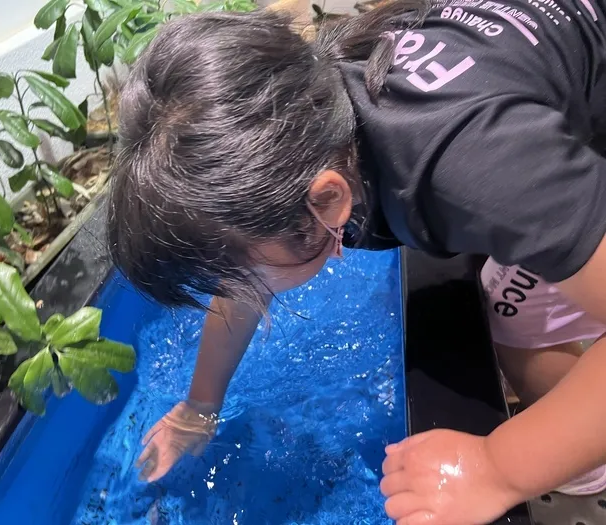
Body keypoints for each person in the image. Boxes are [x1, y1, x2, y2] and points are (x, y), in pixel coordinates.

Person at [107, 0, 606, 520]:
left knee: (513, 311)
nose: (234, 292)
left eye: (243, 273)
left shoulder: (467, 169)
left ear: (327, 201)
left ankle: (587, 473)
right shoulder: (326, 106)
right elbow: (240, 291)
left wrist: (497, 467)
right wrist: (201, 406)